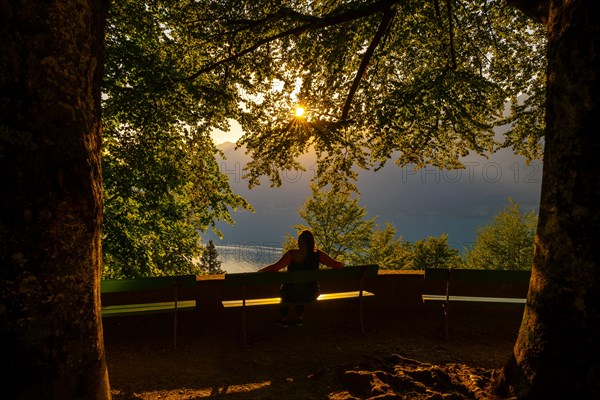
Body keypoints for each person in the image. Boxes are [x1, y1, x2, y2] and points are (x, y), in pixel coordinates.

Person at [258, 230, 343, 327]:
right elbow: (337, 265)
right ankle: (299, 318)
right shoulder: (318, 255)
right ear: (312, 242)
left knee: (288, 289)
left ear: (299, 242)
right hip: (311, 294)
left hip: (290, 294)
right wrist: (341, 264)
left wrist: (260, 271)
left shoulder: (291, 254)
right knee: (303, 287)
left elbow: (275, 268)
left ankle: (284, 319)